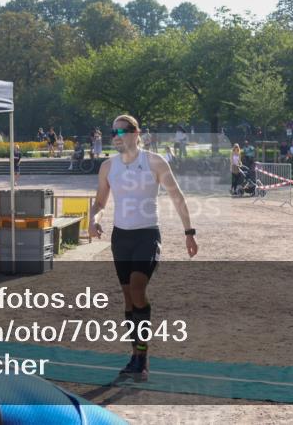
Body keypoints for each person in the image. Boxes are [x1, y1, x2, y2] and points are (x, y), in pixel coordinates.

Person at [90, 114, 197, 383]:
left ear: (136, 133)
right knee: (128, 299)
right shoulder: (108, 167)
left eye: (122, 130)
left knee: (138, 289)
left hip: (147, 236)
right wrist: (94, 219)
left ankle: (143, 356)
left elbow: (177, 196)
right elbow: (100, 202)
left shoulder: (154, 162)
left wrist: (189, 232)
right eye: (113, 130)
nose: (116, 135)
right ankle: (136, 356)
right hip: (120, 238)